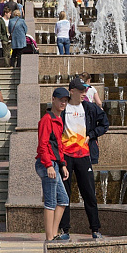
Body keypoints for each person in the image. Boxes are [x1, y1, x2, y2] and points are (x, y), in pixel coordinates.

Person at [56, 77, 109, 241]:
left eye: (85, 89)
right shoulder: (62, 108)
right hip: (65, 158)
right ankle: (64, 230)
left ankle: (95, 229)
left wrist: (91, 135)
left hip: (84, 156)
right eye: (81, 90)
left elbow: (104, 123)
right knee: (64, 194)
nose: (84, 93)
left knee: (89, 194)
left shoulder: (90, 108)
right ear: (72, 91)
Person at [36, 87, 71, 242]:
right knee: (50, 202)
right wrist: (49, 165)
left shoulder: (59, 119)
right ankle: (49, 238)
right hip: (47, 164)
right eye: (61, 100)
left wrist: (63, 164)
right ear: (53, 100)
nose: (63, 102)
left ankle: (54, 233)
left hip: (55, 164)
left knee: (63, 200)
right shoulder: (47, 119)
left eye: (66, 100)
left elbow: (59, 145)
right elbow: (42, 145)